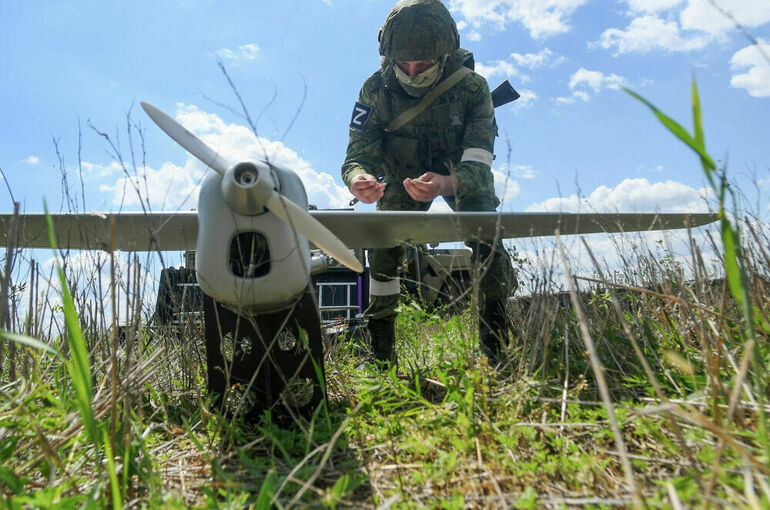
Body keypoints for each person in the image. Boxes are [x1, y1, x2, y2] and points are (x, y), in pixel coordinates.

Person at [341, 0, 515, 367]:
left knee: (488, 239)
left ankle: (496, 347)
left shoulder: (472, 88)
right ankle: (381, 355)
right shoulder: (375, 90)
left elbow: (480, 163)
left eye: (423, 64)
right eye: (403, 64)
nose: (412, 71)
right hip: (401, 176)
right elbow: (358, 152)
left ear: (444, 54)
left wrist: (447, 183)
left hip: (459, 174)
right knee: (383, 250)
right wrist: (359, 179)